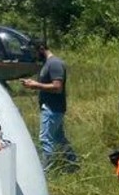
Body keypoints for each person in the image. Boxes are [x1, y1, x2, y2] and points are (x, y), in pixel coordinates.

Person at [21, 39, 77, 172]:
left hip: (52, 108)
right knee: (59, 138)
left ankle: (46, 171)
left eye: (34, 52)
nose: (33, 55)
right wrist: (33, 83)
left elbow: (57, 87)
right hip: (52, 107)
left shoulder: (55, 64)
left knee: (45, 139)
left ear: (41, 49)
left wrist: (35, 85)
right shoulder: (47, 64)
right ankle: (73, 164)